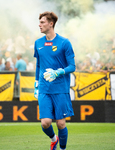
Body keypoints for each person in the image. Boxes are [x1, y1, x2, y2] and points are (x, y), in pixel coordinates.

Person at [34, 11, 75, 150]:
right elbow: (39, 65)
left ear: (51, 24)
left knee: (61, 124)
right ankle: (53, 139)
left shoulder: (64, 42)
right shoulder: (38, 43)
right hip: (44, 89)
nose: (39, 25)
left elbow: (72, 66)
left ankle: (63, 149)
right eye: (39, 22)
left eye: (42, 22)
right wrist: (36, 83)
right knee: (45, 123)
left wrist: (58, 72)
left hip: (60, 89)